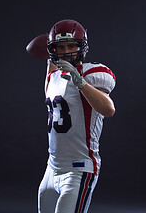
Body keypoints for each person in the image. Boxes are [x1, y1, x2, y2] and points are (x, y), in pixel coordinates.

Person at [38, 19, 116, 213]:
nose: (66, 51)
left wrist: (80, 81)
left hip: (78, 168)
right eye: (60, 47)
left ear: (82, 47)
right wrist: (50, 57)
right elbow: (50, 85)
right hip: (52, 167)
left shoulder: (91, 73)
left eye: (71, 45)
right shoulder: (52, 75)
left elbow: (108, 109)